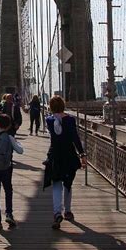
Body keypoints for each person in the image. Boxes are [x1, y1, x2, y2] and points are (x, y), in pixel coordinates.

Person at [43, 95, 86, 229]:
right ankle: (67, 211)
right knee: (68, 183)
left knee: (56, 183)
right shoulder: (70, 120)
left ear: (51, 107)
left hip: (55, 155)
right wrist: (82, 154)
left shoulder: (49, 120)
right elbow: (75, 138)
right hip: (69, 155)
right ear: (63, 105)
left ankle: (57, 213)